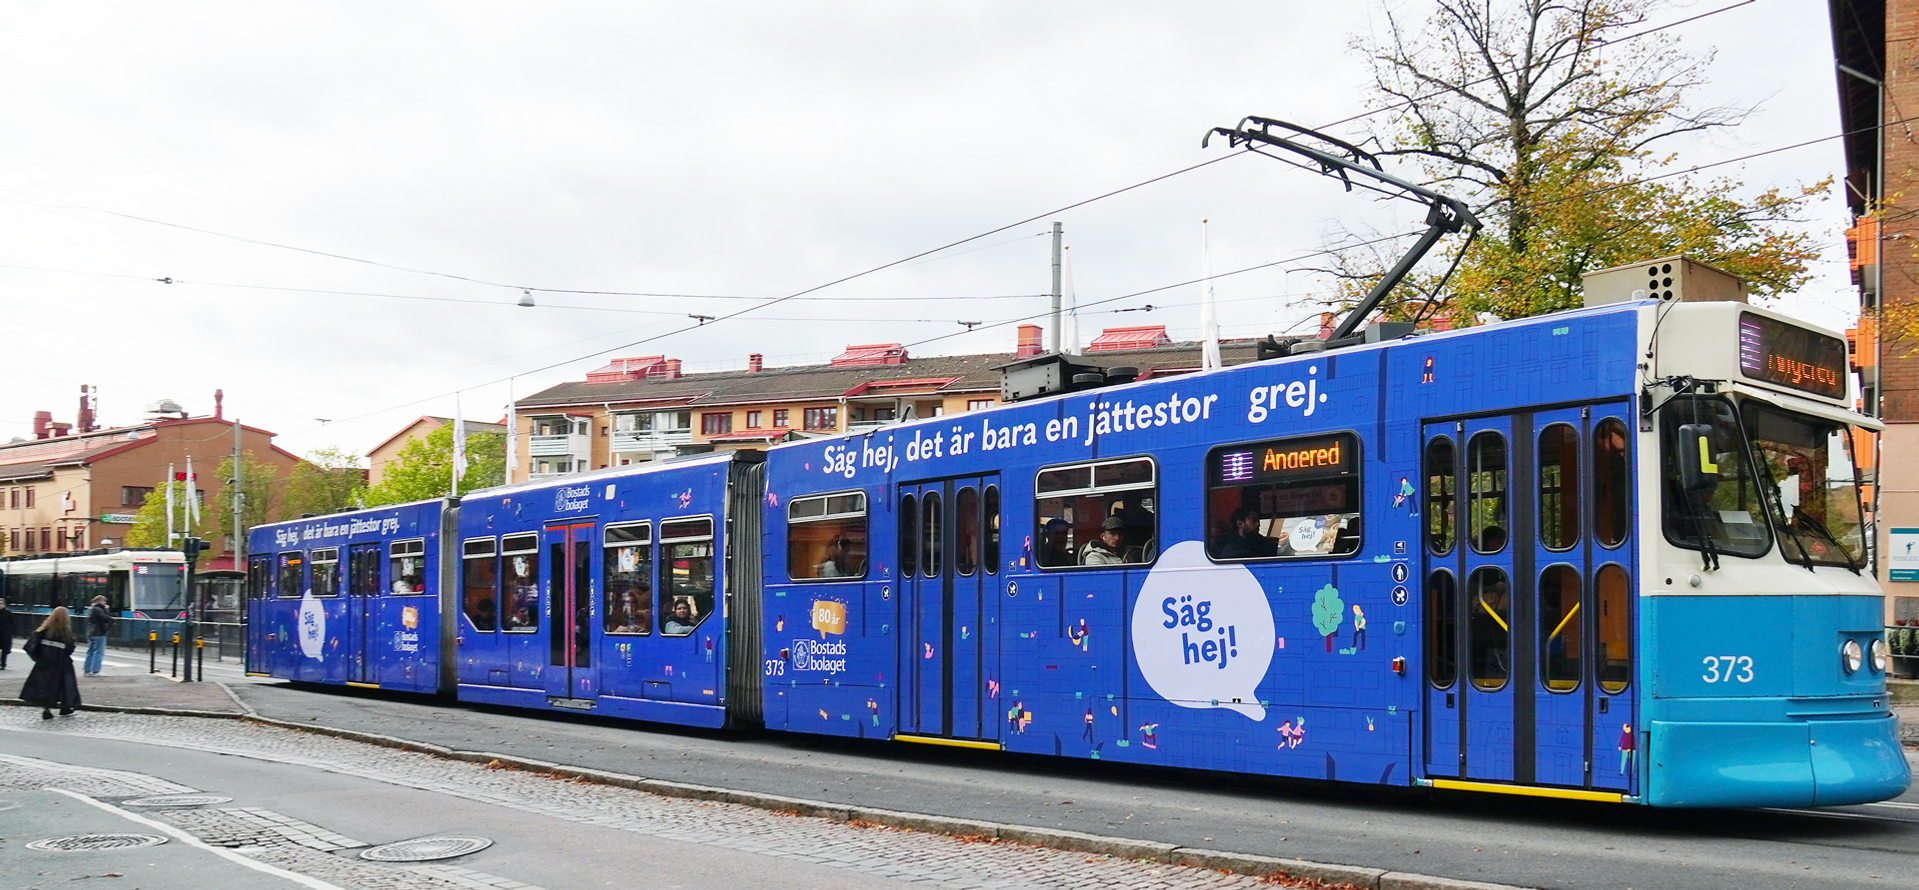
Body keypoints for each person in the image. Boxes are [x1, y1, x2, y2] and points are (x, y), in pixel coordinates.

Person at [20, 606, 80, 719]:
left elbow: (31, 646)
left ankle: (46, 709)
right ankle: (66, 706)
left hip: (44, 662)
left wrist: (38, 658)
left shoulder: (44, 630)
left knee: (45, 686)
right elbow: (70, 648)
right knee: (65, 685)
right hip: (61, 663)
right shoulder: (65, 632)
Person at [83, 595, 112, 676]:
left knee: (90, 652)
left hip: (90, 632)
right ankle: (96, 670)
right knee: (99, 652)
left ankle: (87, 670)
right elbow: (106, 619)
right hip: (99, 633)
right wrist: (106, 609)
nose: (105, 603)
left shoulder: (90, 609)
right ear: (99, 601)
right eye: (103, 601)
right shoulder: (98, 609)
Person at [0, 597, 13, 671]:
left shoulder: (8, 613)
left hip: (5, 634)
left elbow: (12, 622)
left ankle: (3, 664)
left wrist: (9, 630)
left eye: (1, 603)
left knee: (4, 650)